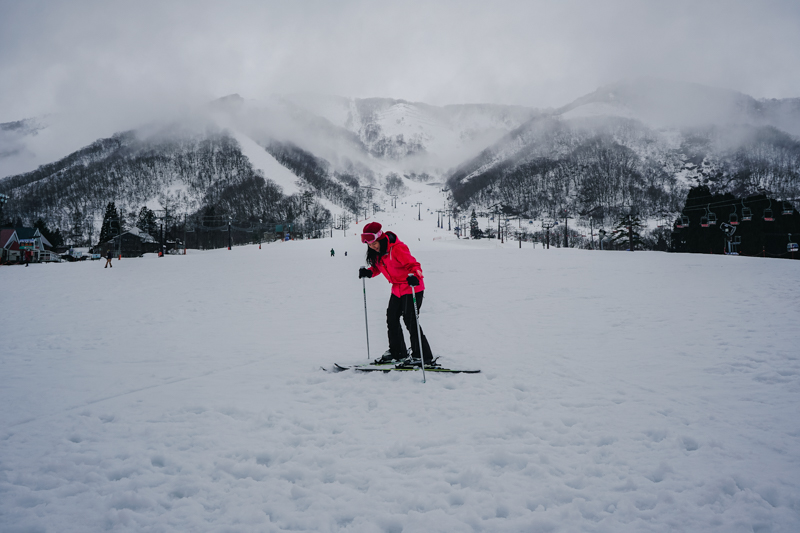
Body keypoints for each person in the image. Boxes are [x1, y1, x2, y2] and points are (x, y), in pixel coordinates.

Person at [358, 222, 435, 365]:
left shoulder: (398, 248)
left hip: (412, 287)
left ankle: (422, 356)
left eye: (374, 243)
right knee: (392, 318)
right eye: (369, 245)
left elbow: (414, 265)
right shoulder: (379, 253)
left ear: (380, 238)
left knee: (410, 319)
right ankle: (397, 352)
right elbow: (378, 268)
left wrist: (415, 276)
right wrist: (369, 272)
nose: (372, 247)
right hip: (397, 289)